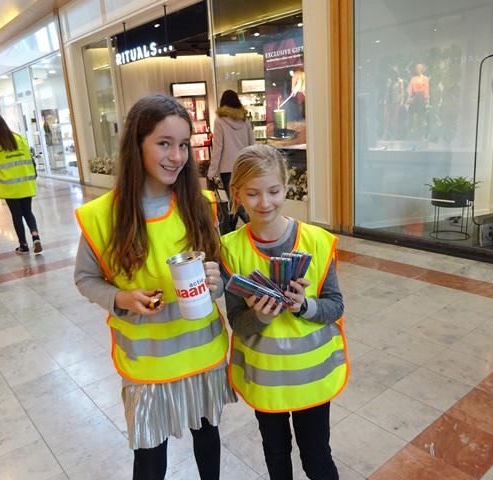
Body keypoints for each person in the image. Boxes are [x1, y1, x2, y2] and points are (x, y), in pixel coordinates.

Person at [74, 94, 235, 480]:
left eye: (183, 145)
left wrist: (216, 283)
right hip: (146, 362)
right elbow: (85, 278)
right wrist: (119, 297)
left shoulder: (201, 204)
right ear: (137, 145)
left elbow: (220, 273)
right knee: (149, 455)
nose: (177, 156)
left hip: (201, 354)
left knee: (207, 437)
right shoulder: (103, 216)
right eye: (164, 143)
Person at [221, 144, 348, 480]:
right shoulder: (229, 250)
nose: (265, 202)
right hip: (266, 379)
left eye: (274, 191)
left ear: (287, 187)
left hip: (312, 379)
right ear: (237, 194)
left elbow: (335, 305)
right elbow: (237, 321)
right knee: (276, 456)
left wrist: (304, 306)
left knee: (317, 457)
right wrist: (260, 316)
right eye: (253, 193)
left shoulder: (317, 241)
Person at [0, 113, 43, 255]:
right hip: (26, 182)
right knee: (28, 212)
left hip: (10, 185)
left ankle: (23, 245)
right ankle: (36, 237)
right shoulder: (19, 137)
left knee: (17, 215)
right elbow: (30, 158)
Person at [207, 89, 255, 231]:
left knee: (235, 200)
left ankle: (251, 224)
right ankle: (230, 229)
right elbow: (252, 144)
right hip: (244, 166)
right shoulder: (245, 120)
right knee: (240, 198)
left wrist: (211, 172)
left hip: (227, 169)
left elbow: (218, 148)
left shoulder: (220, 121)